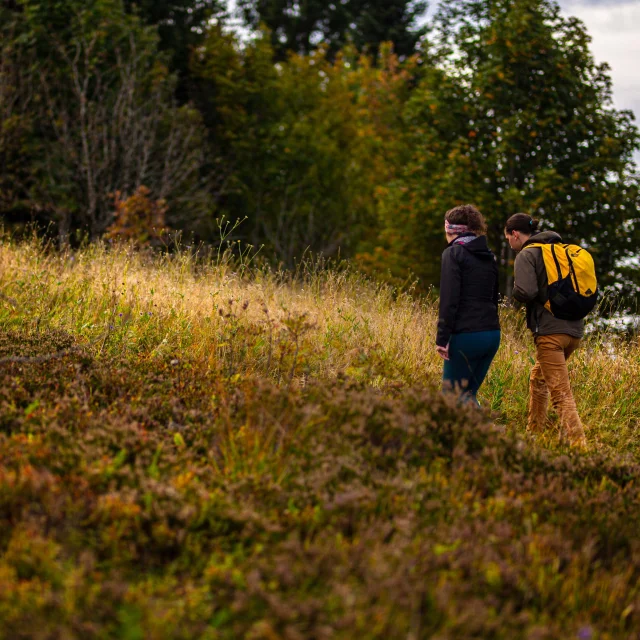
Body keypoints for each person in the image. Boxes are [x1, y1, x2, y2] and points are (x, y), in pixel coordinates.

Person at [504, 213, 587, 448]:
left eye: (508, 238)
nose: (509, 244)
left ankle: (580, 447)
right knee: (538, 378)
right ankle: (534, 434)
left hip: (550, 333)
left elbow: (526, 292)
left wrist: (515, 294)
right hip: (574, 331)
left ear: (515, 234)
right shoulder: (561, 251)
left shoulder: (527, 254)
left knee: (561, 393)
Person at [436, 204, 501, 406]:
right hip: (491, 334)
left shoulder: (453, 253)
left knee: (451, 397)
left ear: (450, 230)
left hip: (466, 335)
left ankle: (486, 436)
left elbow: (449, 299)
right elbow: (493, 298)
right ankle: (483, 435)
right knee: (467, 395)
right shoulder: (489, 256)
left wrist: (442, 338)